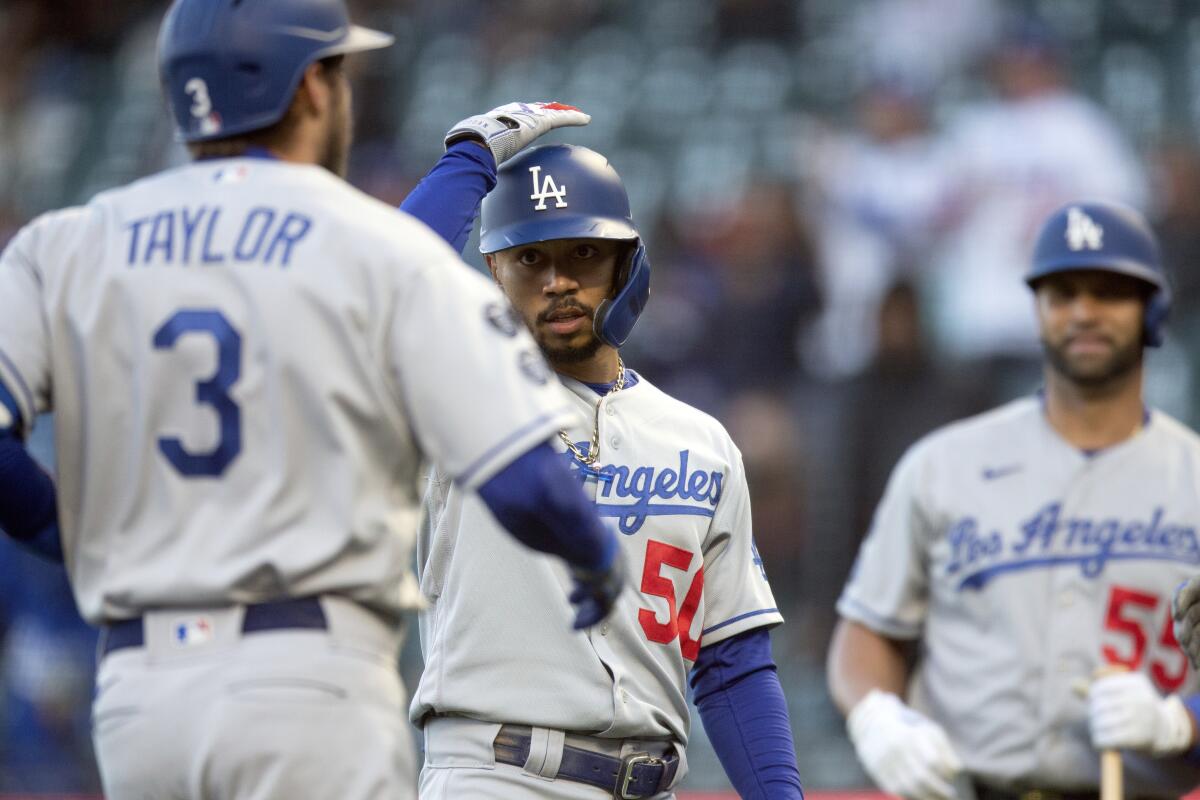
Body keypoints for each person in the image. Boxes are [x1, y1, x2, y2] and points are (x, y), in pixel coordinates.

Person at [0, 4, 625, 798]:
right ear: (311, 90)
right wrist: (592, 555)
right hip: (305, 683)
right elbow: (519, 478)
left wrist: (62, 533)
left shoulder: (67, 243)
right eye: (339, 71)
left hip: (138, 697)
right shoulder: (372, 249)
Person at [394, 105, 804, 800]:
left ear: (626, 264)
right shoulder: (458, 401)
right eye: (531, 257)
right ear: (494, 271)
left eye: (582, 252)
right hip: (496, 776)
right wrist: (468, 158)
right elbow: (388, 284)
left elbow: (732, 663)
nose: (557, 280)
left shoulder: (699, 441)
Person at [828, 200, 1200, 800]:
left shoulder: (1193, 477)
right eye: (1062, 293)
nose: (1083, 312)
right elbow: (869, 627)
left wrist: (1180, 721)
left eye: (1108, 291)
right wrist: (876, 715)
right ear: (1037, 310)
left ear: (1153, 308)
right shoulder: (943, 464)